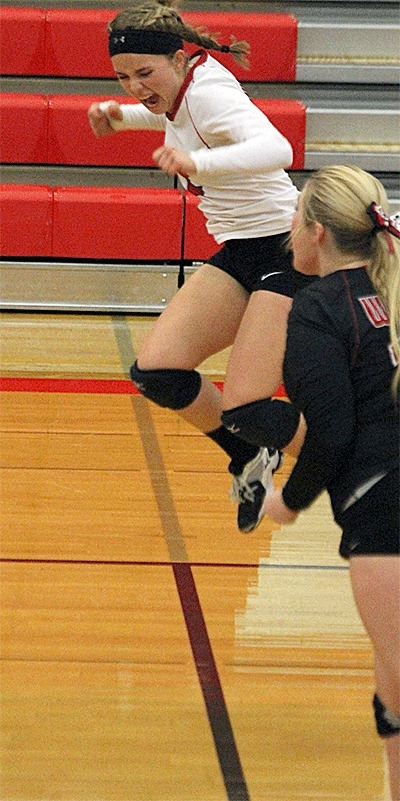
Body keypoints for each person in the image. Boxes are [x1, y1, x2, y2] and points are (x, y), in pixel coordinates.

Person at [88, 0, 315, 533]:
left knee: (251, 406)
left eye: (145, 74)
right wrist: (121, 116)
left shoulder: (210, 93)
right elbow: (173, 115)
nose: (136, 86)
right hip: (242, 251)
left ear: (178, 58)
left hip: (289, 250)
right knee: (158, 373)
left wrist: (198, 163)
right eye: (122, 77)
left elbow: (277, 147)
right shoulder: (183, 92)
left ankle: (363, 463)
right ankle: (249, 457)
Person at [260, 165, 400, 799]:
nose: (289, 229)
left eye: (293, 218)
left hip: (385, 510)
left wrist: (286, 501)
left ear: (315, 232)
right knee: (391, 687)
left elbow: (332, 434)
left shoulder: (319, 307)